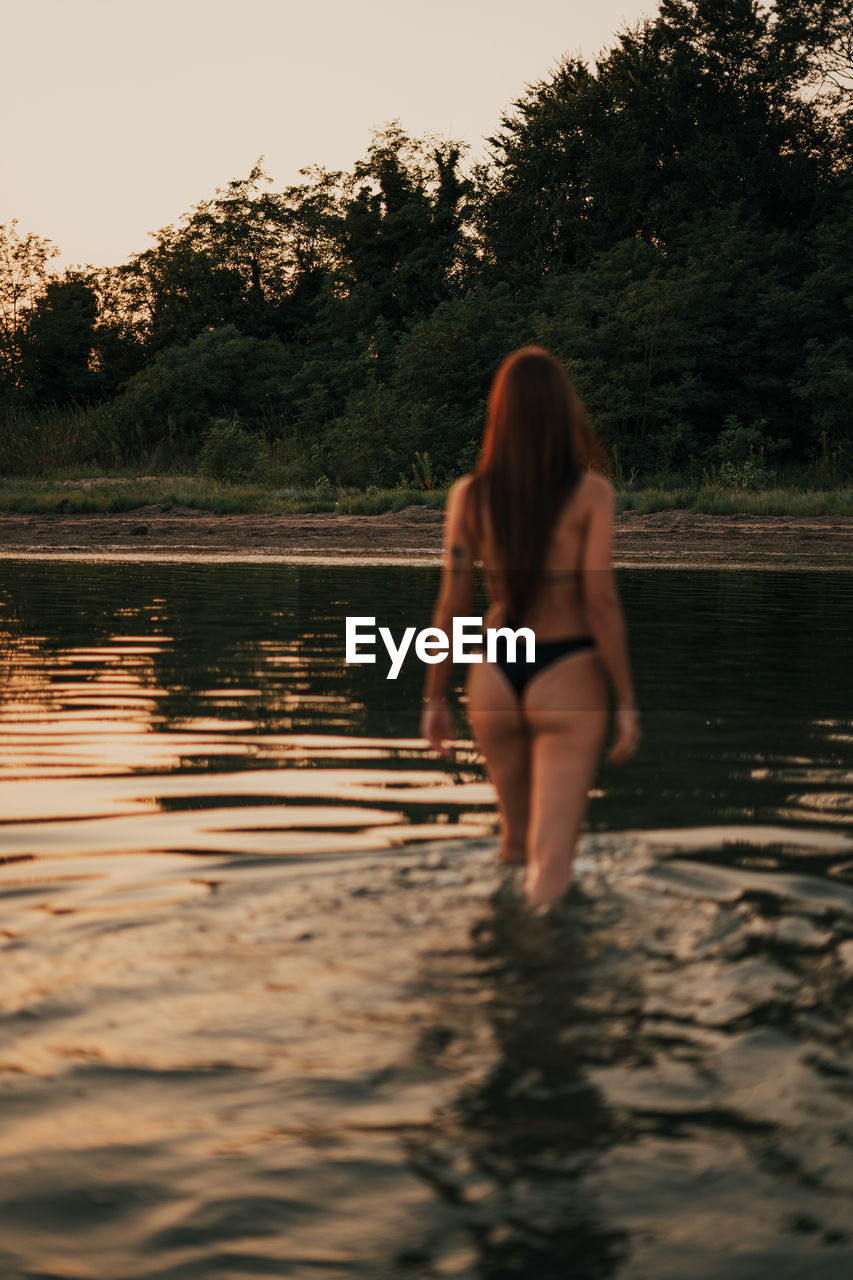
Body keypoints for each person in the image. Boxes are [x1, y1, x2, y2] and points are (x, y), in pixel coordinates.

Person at [420, 346, 641, 909]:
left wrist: (435, 698)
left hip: (493, 673)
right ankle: (541, 976)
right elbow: (600, 602)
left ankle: (502, 966)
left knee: (514, 847)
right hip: (566, 668)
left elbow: (453, 605)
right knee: (553, 860)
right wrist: (626, 700)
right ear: (563, 412)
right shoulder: (590, 493)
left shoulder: (469, 495)